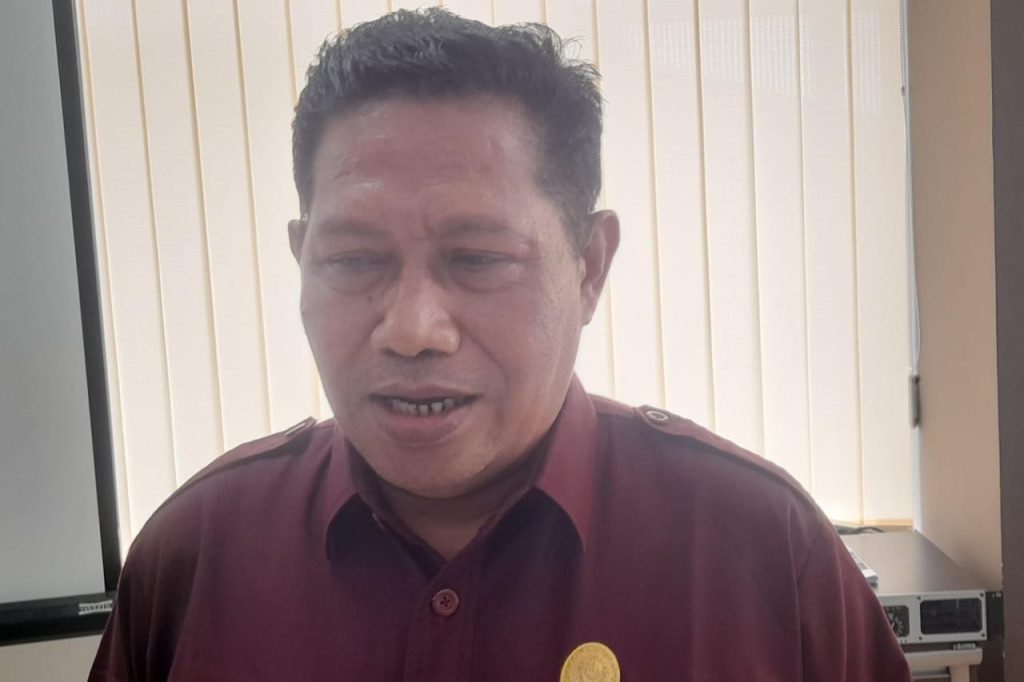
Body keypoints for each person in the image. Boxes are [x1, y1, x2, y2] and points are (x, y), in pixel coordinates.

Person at [89, 9, 911, 682]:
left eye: (478, 260)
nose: (412, 330)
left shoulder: (762, 550)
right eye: (355, 261)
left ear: (588, 266)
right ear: (302, 259)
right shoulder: (195, 556)